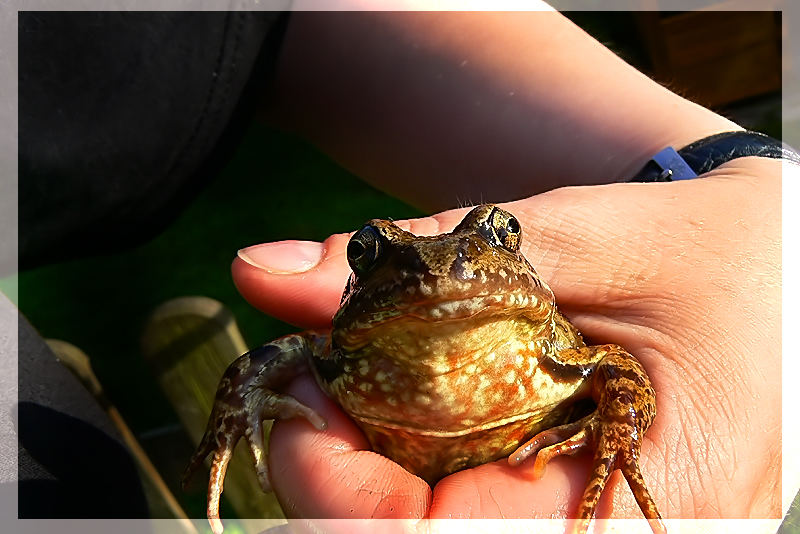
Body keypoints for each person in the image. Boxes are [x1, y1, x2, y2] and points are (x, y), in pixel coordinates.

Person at [16, 5, 790, 531]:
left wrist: (751, 185)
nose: (440, 273)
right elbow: (265, 361)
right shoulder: (337, 351)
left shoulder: (560, 351)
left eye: (498, 237)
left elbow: (616, 369)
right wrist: (234, 421)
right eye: (370, 256)